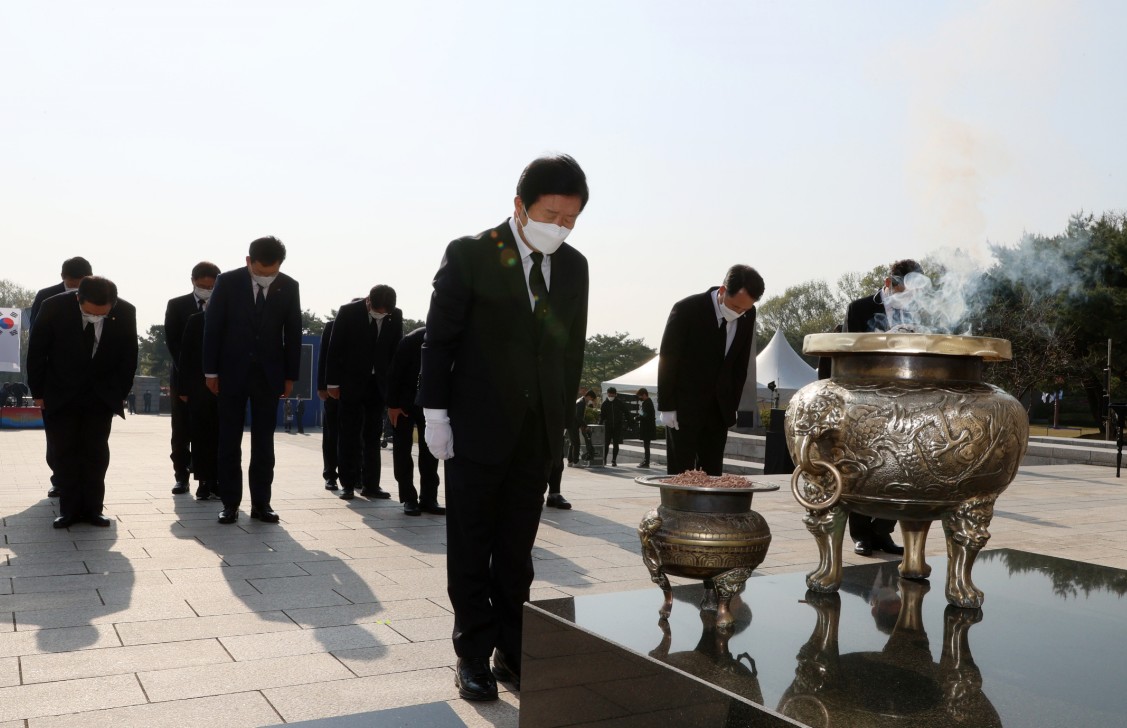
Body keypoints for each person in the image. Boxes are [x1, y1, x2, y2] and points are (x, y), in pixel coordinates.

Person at [419, 154, 590, 701]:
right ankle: (471, 653)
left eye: (570, 220)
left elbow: (570, 352)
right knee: (471, 543)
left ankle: (512, 650)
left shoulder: (574, 266)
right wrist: (435, 414)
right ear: (519, 206)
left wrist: (560, 425)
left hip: (535, 431)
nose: (558, 228)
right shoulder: (471, 254)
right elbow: (439, 340)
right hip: (475, 425)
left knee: (517, 550)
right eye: (550, 214)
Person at [203, 236, 302, 525]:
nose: (266, 276)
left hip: (269, 376)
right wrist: (211, 371)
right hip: (230, 373)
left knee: (264, 442)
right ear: (249, 261)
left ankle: (262, 503)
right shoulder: (228, 282)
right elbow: (213, 327)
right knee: (229, 440)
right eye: (261, 271)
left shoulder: (289, 285)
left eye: (272, 272)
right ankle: (230, 504)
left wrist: (290, 375)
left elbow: (293, 332)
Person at [27, 276, 137, 528]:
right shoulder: (53, 306)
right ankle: (69, 509)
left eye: (102, 314)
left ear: (113, 303)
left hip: (100, 394)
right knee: (64, 451)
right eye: (89, 312)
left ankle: (93, 509)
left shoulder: (126, 311)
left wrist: (119, 392)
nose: (96, 317)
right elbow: (37, 350)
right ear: (78, 298)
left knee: (96, 452)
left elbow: (129, 354)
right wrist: (39, 392)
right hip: (61, 392)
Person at [841, 259, 921, 557]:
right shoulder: (859, 308)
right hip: (867, 402)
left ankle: (882, 531)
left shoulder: (915, 312)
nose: (911, 297)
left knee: (903, 468)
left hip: (904, 402)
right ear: (890, 283)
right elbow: (851, 353)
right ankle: (861, 534)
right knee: (864, 469)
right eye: (906, 290)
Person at [658, 264, 763, 476]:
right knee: (681, 474)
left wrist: (731, 404)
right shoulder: (687, 309)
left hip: (719, 410)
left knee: (713, 473)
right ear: (723, 291)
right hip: (684, 408)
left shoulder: (748, 314)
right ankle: (678, 509)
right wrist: (666, 406)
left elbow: (740, 364)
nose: (739, 312)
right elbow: (668, 359)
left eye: (744, 309)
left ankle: (710, 510)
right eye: (735, 307)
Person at [326, 285, 402, 500]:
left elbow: (395, 351)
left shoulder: (394, 315)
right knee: (349, 434)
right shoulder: (348, 312)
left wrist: (392, 387)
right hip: (351, 383)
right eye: (378, 312)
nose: (381, 316)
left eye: (384, 313)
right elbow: (335, 349)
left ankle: (371, 484)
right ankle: (348, 484)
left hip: (377, 385)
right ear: (369, 301)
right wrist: (332, 384)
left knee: (373, 434)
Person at [29, 256, 93, 499]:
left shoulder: (100, 292)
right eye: (72, 283)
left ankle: (85, 481)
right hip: (55, 380)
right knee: (56, 436)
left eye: (81, 283)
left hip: (89, 381)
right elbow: (37, 342)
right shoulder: (46, 297)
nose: (76, 288)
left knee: (89, 438)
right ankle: (59, 479)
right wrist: (38, 389)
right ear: (62, 277)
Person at [165, 261, 220, 495]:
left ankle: (207, 479)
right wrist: (186, 381)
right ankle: (181, 476)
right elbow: (174, 344)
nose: (206, 289)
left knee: (209, 432)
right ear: (193, 282)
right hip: (184, 379)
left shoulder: (224, 305)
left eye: (211, 286)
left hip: (214, 381)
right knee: (181, 431)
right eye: (202, 285)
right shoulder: (177, 305)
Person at [386, 326, 444, 516]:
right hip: (404, 405)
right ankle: (409, 498)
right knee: (402, 449)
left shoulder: (451, 340)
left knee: (431, 451)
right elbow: (394, 374)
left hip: (431, 403)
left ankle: (429, 498)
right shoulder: (411, 341)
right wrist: (392, 405)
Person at [177, 306, 219, 500]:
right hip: (199, 390)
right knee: (201, 437)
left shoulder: (239, 318)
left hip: (228, 390)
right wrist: (183, 388)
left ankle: (219, 482)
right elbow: (185, 356)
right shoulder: (196, 320)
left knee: (224, 438)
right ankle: (203, 482)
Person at [317, 318, 339, 491]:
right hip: (332, 388)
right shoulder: (333, 325)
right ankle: (330, 474)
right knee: (331, 433)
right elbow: (323, 355)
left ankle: (356, 475)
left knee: (357, 435)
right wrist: (321, 386)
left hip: (357, 388)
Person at [567, 389, 596, 466]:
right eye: (592, 399)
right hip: (573, 424)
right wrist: (585, 426)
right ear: (589, 396)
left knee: (572, 443)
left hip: (571, 424)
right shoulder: (581, 403)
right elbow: (579, 416)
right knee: (576, 443)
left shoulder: (580, 400)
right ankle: (576, 462)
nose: (591, 401)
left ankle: (570, 461)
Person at [600, 386, 625, 466]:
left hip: (617, 426)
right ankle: (604, 459)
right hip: (608, 426)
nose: (611, 396)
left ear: (615, 394)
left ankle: (614, 460)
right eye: (609, 395)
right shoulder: (605, 403)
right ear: (607, 394)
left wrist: (629, 422)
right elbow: (602, 416)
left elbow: (626, 412)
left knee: (616, 444)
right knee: (606, 443)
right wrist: (600, 425)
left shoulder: (619, 403)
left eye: (612, 395)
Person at [636, 387, 656, 468]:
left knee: (646, 446)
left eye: (640, 396)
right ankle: (646, 461)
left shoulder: (647, 403)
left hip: (647, 428)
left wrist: (637, 418)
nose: (639, 398)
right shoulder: (647, 402)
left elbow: (645, 415)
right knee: (646, 445)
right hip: (648, 427)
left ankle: (646, 462)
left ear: (644, 395)